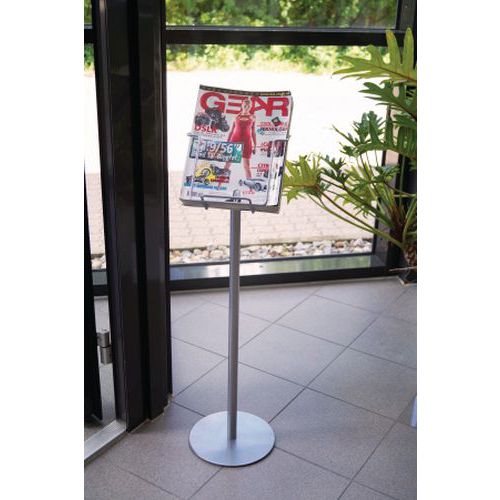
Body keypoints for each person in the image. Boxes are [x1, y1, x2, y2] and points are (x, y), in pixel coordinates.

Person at [224, 98, 256, 180]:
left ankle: (250, 185)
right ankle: (219, 184)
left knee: (246, 166)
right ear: (242, 105)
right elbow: (231, 131)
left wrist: (255, 145)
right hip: (234, 141)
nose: (247, 106)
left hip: (247, 143)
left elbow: (253, 132)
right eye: (245, 104)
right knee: (228, 164)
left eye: (249, 105)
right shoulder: (236, 116)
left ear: (251, 106)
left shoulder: (253, 117)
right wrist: (227, 143)